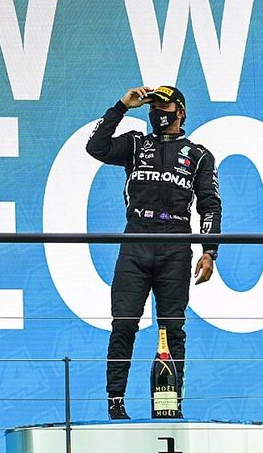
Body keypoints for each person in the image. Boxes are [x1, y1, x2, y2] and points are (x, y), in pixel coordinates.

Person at [87, 85, 222, 420]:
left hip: (176, 244)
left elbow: (209, 205)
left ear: (181, 112)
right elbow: (96, 147)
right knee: (123, 324)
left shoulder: (199, 155)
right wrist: (121, 106)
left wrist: (209, 251)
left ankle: (170, 405)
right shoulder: (135, 144)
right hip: (136, 240)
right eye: (153, 107)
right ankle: (116, 402)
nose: (157, 112)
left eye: (164, 107)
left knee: (172, 327)